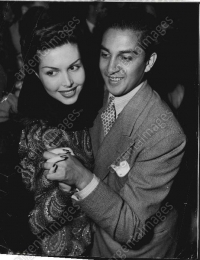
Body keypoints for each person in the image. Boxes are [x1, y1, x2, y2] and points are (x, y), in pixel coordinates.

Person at [43, 9, 186, 258]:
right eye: (105, 54)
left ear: (149, 62)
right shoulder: (102, 90)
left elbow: (132, 229)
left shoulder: (165, 134)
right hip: (96, 234)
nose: (111, 68)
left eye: (126, 57)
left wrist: (80, 176)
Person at [17, 7, 100, 256]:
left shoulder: (95, 101)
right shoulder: (37, 135)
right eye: (52, 72)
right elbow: (36, 224)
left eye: (74, 67)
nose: (67, 82)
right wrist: (64, 189)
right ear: (34, 72)